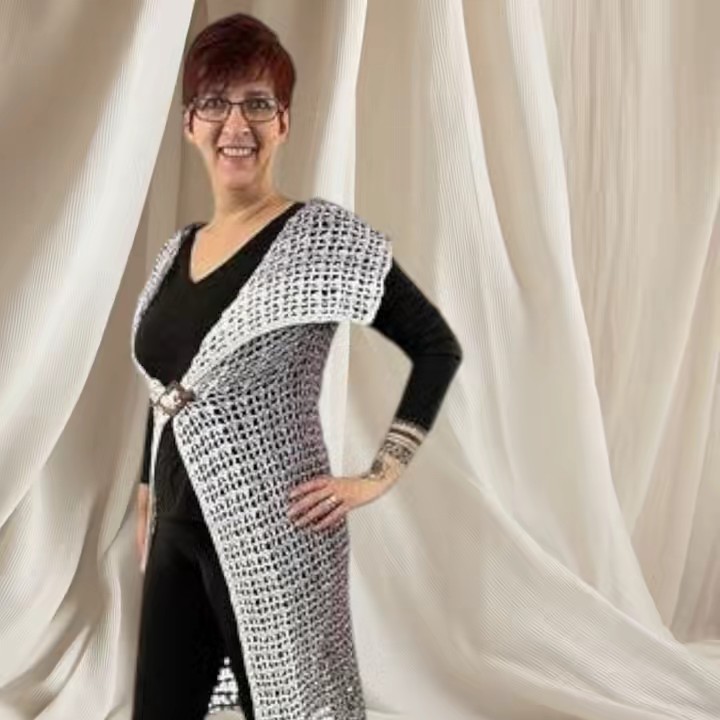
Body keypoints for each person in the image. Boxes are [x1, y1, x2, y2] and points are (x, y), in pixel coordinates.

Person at [130, 12, 462, 720]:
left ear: (283, 122)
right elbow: (166, 388)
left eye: (257, 104)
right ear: (190, 123)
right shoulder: (175, 252)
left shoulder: (320, 240)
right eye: (215, 103)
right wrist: (143, 487)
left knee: (289, 708)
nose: (236, 124)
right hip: (175, 532)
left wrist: (378, 475)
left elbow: (437, 346)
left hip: (276, 532)